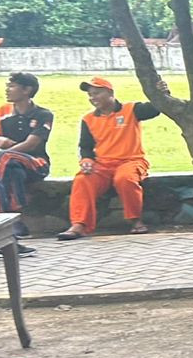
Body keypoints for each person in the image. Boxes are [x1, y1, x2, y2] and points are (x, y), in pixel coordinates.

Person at [58, 77, 160, 241]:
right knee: (82, 180)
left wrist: (161, 92)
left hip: (131, 161)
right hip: (102, 164)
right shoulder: (88, 119)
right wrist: (87, 161)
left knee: (125, 179)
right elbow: (85, 147)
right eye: (90, 95)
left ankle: (135, 220)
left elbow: (156, 109)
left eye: (97, 93)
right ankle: (79, 225)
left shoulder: (132, 109)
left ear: (110, 93)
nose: (93, 98)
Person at [0, 73, 54, 243]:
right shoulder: (3, 113)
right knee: (12, 171)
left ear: (27, 90)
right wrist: (2, 142)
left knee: (4, 159)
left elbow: (31, 144)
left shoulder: (43, 114)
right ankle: (14, 223)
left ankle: (9, 218)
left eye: (12, 86)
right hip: (11, 166)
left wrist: (4, 150)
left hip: (37, 163)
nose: (7, 90)